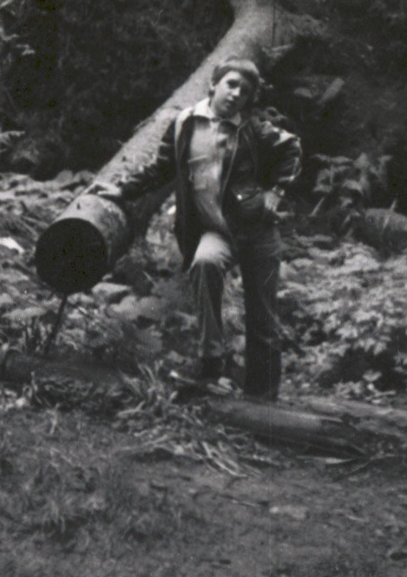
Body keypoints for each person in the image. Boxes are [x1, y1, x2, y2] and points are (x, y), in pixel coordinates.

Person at [93, 59, 301, 398]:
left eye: (245, 91)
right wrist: (123, 190)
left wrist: (275, 194)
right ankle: (211, 366)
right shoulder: (185, 124)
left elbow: (291, 147)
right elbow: (160, 167)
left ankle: (262, 399)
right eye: (231, 84)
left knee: (262, 318)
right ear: (214, 84)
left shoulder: (253, 128)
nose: (236, 94)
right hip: (216, 232)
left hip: (258, 233)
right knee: (204, 263)